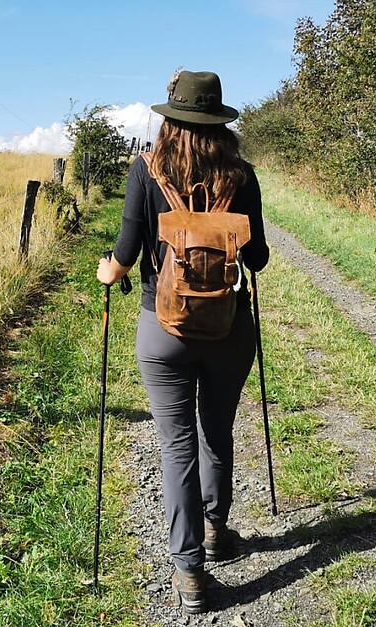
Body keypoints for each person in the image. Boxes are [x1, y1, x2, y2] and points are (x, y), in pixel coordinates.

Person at [96, 69, 270, 614]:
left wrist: (109, 273)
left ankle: (190, 573)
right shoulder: (242, 176)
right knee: (217, 428)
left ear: (169, 119)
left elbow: (125, 252)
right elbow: (259, 258)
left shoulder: (146, 171)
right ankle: (217, 530)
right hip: (228, 327)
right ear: (220, 121)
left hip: (162, 328)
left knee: (177, 447)